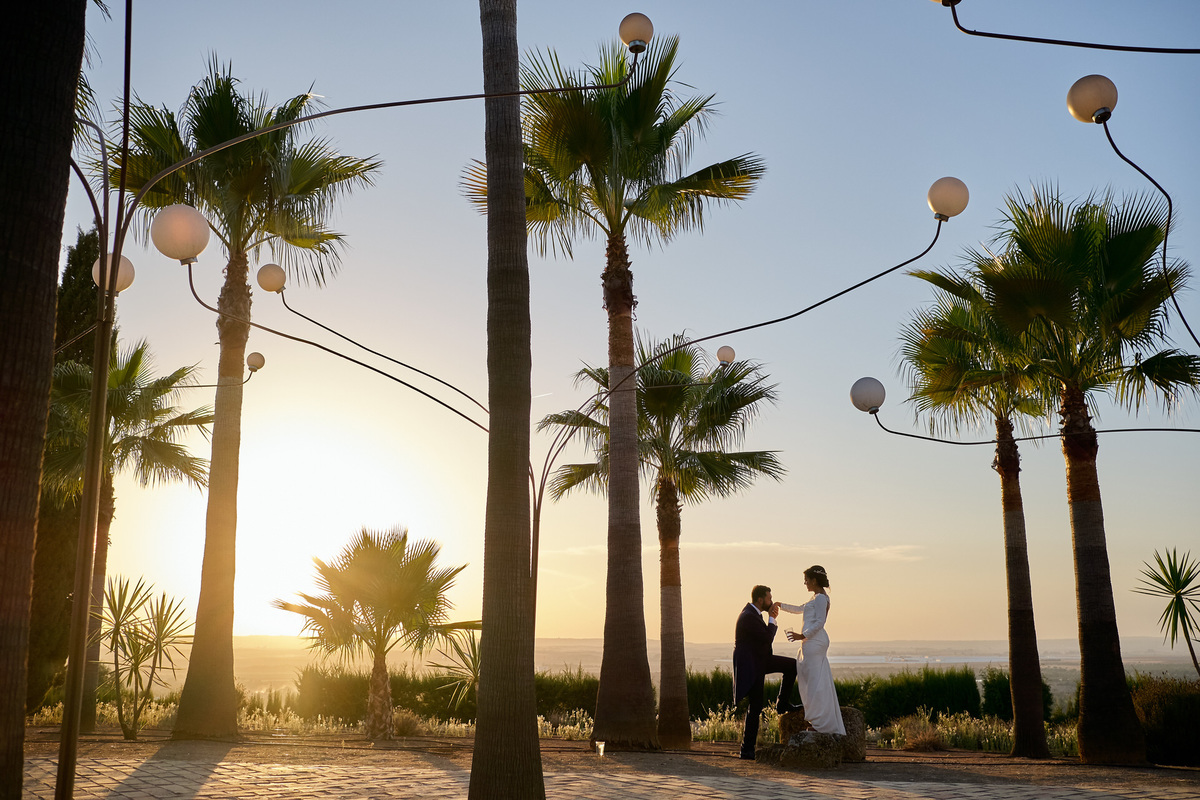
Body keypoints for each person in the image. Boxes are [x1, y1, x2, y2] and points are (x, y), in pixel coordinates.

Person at [733, 584, 801, 759]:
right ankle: (746, 750)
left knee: (792, 666)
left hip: (760, 661)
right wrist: (772, 618)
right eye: (769, 598)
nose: (771, 601)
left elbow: (762, 641)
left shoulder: (753, 614)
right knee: (755, 707)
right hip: (753, 666)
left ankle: (782, 704)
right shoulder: (748, 616)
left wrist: (771, 618)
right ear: (760, 599)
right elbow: (767, 638)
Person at [780, 565, 846, 735]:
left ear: (814, 580)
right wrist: (780, 605)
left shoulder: (821, 599)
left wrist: (802, 635)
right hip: (811, 642)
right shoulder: (816, 597)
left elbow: (820, 622)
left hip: (814, 642)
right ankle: (819, 721)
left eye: (807, 580)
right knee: (812, 681)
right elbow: (799, 609)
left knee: (815, 684)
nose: (805, 583)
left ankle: (821, 723)